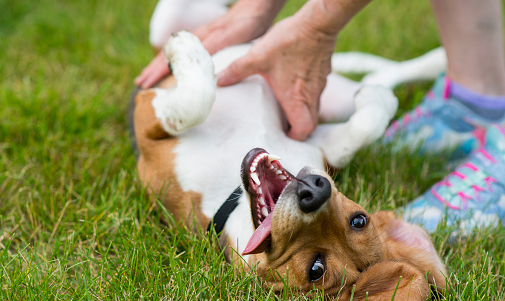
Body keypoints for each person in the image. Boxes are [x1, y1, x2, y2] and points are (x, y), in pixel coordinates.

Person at [135, 0, 505, 232]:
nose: (320, 190)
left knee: (169, 18)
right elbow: (320, 143)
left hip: (197, 77)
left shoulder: (184, 191)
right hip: (268, 72)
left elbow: (146, 122)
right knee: (352, 106)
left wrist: (317, 24)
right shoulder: (301, 184)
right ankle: (473, 101)